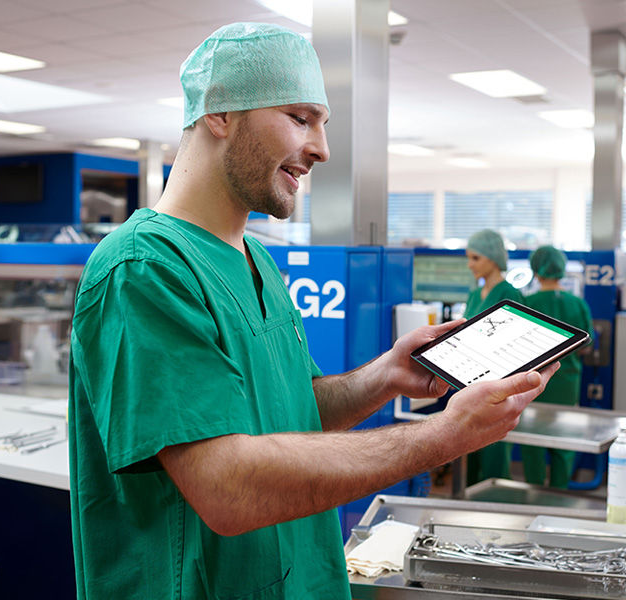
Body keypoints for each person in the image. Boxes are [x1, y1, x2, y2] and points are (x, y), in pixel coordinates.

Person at [68, 23, 557, 599]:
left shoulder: (256, 260)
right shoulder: (144, 268)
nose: (322, 149)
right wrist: (443, 437)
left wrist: (384, 377)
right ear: (219, 113)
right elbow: (224, 485)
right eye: (301, 118)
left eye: (323, 123)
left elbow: (289, 412)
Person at [521, 246, 593, 488]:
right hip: (567, 385)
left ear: (536, 271)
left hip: (534, 385)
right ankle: (559, 494)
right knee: (564, 444)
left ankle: (533, 493)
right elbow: (585, 346)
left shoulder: (528, 303)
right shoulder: (577, 304)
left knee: (532, 443)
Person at [463, 228, 525, 486]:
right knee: (468, 460)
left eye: (475, 258)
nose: (470, 265)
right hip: (469, 385)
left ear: (493, 257)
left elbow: (518, 345)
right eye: (468, 258)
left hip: (498, 389)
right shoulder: (473, 295)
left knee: (493, 463)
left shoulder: (510, 294)